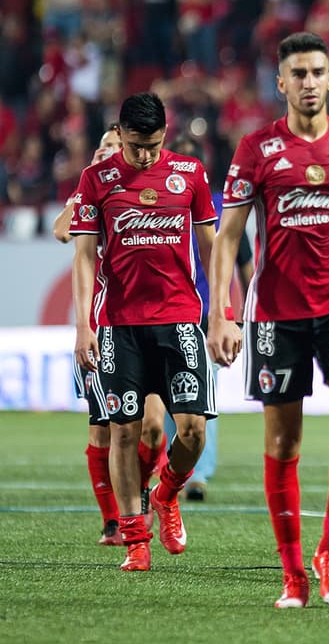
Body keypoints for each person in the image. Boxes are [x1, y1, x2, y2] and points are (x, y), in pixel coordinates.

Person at [206, 32, 329, 608]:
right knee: (285, 441)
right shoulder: (256, 149)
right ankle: (293, 572)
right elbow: (227, 237)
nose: (310, 82)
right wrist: (224, 313)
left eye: (318, 72)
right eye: (298, 74)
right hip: (276, 311)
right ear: (281, 83)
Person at [69, 93, 219, 572]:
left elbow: (212, 246)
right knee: (124, 431)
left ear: (164, 134)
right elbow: (84, 256)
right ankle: (135, 541)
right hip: (120, 326)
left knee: (192, 431)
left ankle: (167, 493)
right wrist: (82, 326)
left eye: (153, 145)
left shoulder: (190, 175)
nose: (145, 155)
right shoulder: (96, 180)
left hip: (180, 321)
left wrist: (224, 312)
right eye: (135, 146)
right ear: (121, 133)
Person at [54, 127, 169, 545]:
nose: (105, 151)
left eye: (112, 146)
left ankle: (141, 494)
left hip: (150, 321)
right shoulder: (93, 188)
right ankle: (114, 522)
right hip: (102, 325)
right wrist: (92, 180)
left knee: (153, 427)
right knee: (102, 428)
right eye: (100, 145)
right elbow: (62, 231)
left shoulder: (144, 187)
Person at [158, 132, 256, 502]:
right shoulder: (157, 203)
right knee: (167, 395)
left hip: (206, 314)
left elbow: (245, 267)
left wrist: (241, 317)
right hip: (164, 311)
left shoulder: (219, 206)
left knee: (201, 394)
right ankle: (172, 465)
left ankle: (198, 472)